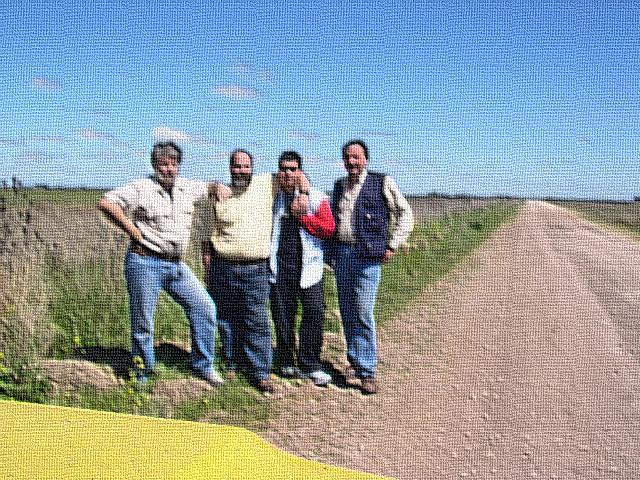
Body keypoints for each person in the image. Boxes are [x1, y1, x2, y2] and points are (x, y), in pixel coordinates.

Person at [97, 141, 224, 386]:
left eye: (174, 164)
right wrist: (132, 230)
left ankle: (203, 366)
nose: (169, 169)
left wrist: (218, 187)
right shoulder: (141, 187)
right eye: (164, 164)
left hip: (176, 265)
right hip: (144, 262)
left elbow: (209, 187)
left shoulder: (187, 188)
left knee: (204, 307)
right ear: (155, 165)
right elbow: (106, 203)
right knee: (143, 322)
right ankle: (142, 373)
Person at [202, 150, 309, 393]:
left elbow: (296, 176)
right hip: (223, 266)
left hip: (255, 269)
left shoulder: (266, 184)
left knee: (257, 320)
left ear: (252, 167)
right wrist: (208, 272)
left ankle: (261, 372)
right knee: (226, 319)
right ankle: (232, 363)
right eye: (236, 166)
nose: (241, 170)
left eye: (245, 166)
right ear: (230, 168)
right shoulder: (219, 196)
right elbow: (206, 239)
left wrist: (304, 193)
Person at [329, 140, 414, 394]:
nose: (351, 162)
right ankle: (354, 361)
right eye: (347, 157)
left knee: (363, 312)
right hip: (343, 255)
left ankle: (367, 372)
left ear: (366, 159)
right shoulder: (338, 186)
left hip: (368, 257)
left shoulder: (382, 182)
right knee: (347, 312)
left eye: (356, 157)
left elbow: (405, 214)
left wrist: (393, 245)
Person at [269, 151, 335, 386]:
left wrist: (303, 218)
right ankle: (286, 360)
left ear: (300, 171)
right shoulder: (272, 198)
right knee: (283, 316)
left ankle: (310, 364)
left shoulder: (316, 198)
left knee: (314, 314)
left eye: (292, 169)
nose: (288, 173)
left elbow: (328, 229)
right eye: (284, 169)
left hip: (310, 268)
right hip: (280, 267)